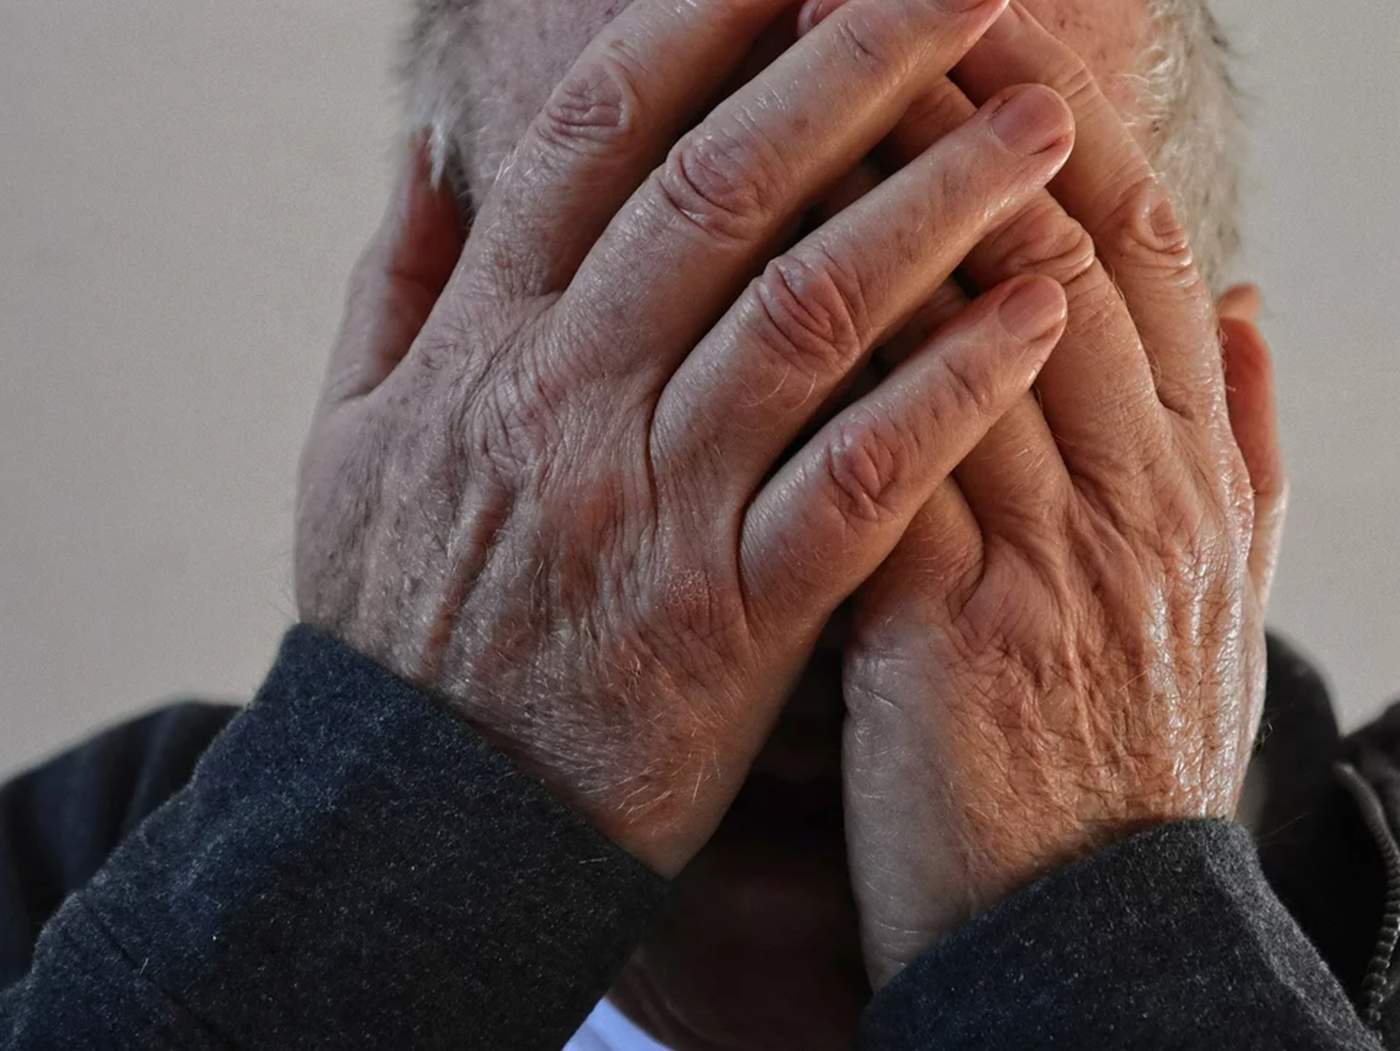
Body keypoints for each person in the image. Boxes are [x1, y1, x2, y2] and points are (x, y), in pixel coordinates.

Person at [0, 0, 1395, 1048]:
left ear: (1219, 431)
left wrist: (1102, 928)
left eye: (963, 300)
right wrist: (410, 818)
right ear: (411, 371)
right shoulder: (49, 890)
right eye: (649, 308)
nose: (819, 519)